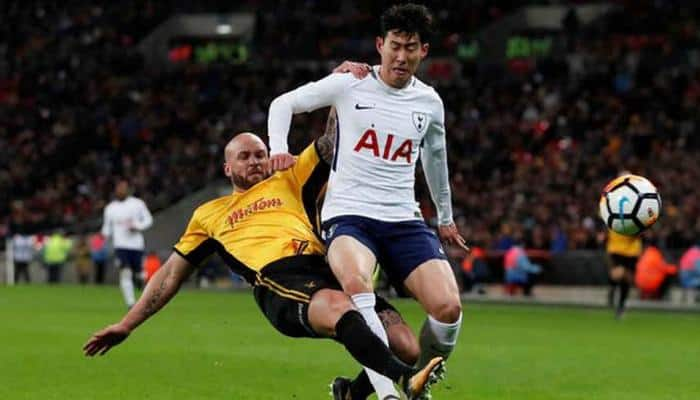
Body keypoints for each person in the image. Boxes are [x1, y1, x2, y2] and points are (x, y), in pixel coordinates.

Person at [84, 124, 444, 400]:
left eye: (259, 153)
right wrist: (127, 324)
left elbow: (332, 139)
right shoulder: (209, 214)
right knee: (339, 310)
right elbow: (170, 274)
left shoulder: (289, 179)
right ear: (228, 168)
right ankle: (402, 380)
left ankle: (350, 393)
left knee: (405, 342)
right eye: (244, 156)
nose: (255, 160)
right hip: (279, 281)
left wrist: (347, 87)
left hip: (329, 268)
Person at [267, 5, 466, 397]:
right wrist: (278, 148)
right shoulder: (349, 83)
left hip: (403, 220)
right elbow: (282, 104)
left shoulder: (429, 102)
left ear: (424, 50)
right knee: (357, 286)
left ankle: (374, 391)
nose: (401, 56)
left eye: (411, 48)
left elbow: (436, 160)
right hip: (349, 216)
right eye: (394, 46)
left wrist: (445, 217)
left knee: (448, 310)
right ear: (380, 45)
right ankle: (391, 395)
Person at [101, 179, 153, 308]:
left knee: (140, 273)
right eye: (119, 188)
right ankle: (131, 303)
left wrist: (137, 226)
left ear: (128, 189)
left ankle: (140, 280)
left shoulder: (137, 204)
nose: (121, 190)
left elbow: (148, 220)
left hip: (136, 245)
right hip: (120, 245)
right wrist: (103, 237)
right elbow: (107, 228)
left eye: (123, 188)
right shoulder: (110, 208)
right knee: (125, 272)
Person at [605, 229, 642, 319]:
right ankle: (612, 288)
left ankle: (621, 306)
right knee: (618, 273)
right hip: (616, 247)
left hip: (632, 250)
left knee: (627, 279)